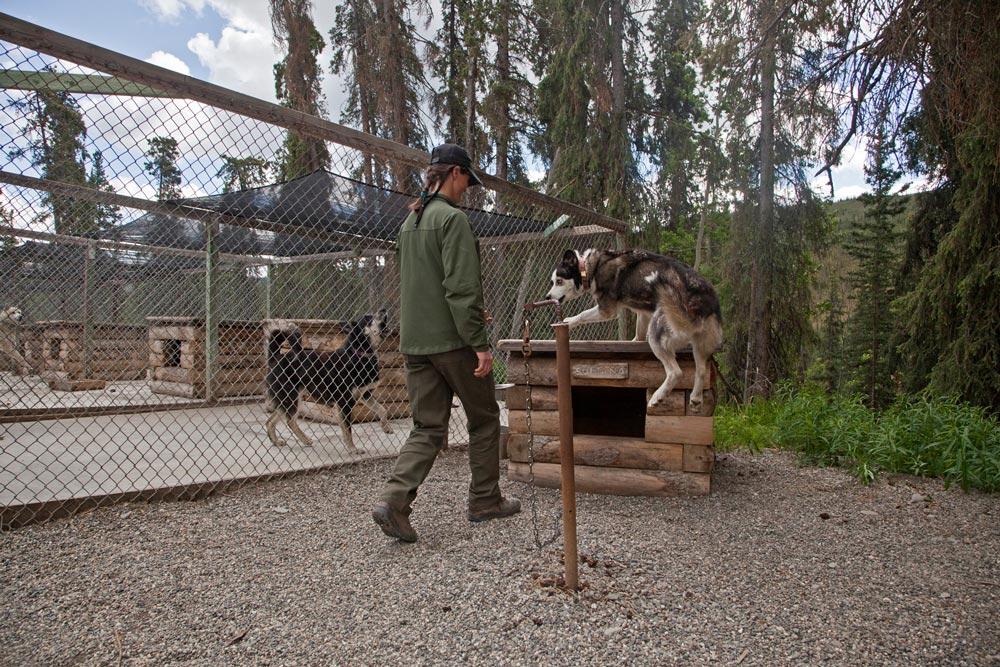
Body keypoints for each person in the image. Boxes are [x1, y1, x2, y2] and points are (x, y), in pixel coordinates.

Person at [372, 143, 520, 543]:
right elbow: (460, 287)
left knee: (427, 427)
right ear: (455, 173)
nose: (467, 188)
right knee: (485, 418)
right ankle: (485, 501)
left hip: (416, 342)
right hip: (455, 344)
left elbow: (427, 286)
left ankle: (393, 501)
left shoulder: (411, 223)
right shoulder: (451, 220)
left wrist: (468, 315)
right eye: (466, 180)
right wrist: (479, 341)